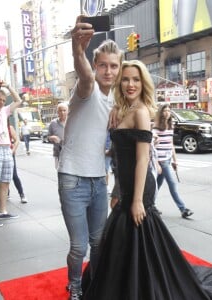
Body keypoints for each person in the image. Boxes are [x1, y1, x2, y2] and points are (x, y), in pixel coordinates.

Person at [82, 60, 212, 300]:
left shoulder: (140, 112)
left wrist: (138, 200)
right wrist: (118, 190)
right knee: (125, 241)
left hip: (140, 188)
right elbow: (119, 157)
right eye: (127, 79)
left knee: (137, 238)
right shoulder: (120, 110)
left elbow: (142, 160)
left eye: (137, 79)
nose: (131, 84)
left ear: (143, 84)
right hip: (126, 186)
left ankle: (142, 288)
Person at [57, 15, 123, 300]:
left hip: (98, 180)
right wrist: (76, 50)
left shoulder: (115, 102)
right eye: (103, 65)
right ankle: (75, 287)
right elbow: (83, 73)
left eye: (113, 66)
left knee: (99, 243)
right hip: (73, 179)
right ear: (96, 66)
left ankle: (95, 285)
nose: (108, 71)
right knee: (78, 246)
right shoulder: (88, 89)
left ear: (119, 69)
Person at [152, 103, 194, 218]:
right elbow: (152, 145)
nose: (167, 113)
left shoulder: (171, 125)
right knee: (172, 183)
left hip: (168, 159)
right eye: (165, 111)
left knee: (157, 184)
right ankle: (183, 209)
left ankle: (151, 205)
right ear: (160, 112)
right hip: (160, 160)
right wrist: (156, 162)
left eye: (169, 111)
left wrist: (175, 161)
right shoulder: (156, 127)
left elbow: (171, 144)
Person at [0, 80, 21, 227]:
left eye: (4, 100)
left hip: (6, 149)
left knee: (5, 182)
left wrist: (8, 86)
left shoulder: (4, 111)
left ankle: (2, 211)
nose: (1, 102)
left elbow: (18, 100)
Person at [7, 120, 28, 204]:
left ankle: (22, 194)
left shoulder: (9, 127)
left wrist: (13, 150)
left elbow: (16, 140)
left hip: (9, 153)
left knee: (14, 175)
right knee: (2, 176)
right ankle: (6, 193)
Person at [47, 102, 68, 169]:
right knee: (61, 174)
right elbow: (48, 137)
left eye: (64, 110)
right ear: (57, 112)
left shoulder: (72, 121)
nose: (62, 112)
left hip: (71, 154)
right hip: (58, 153)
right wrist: (51, 138)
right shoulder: (53, 123)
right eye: (60, 110)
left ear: (68, 111)